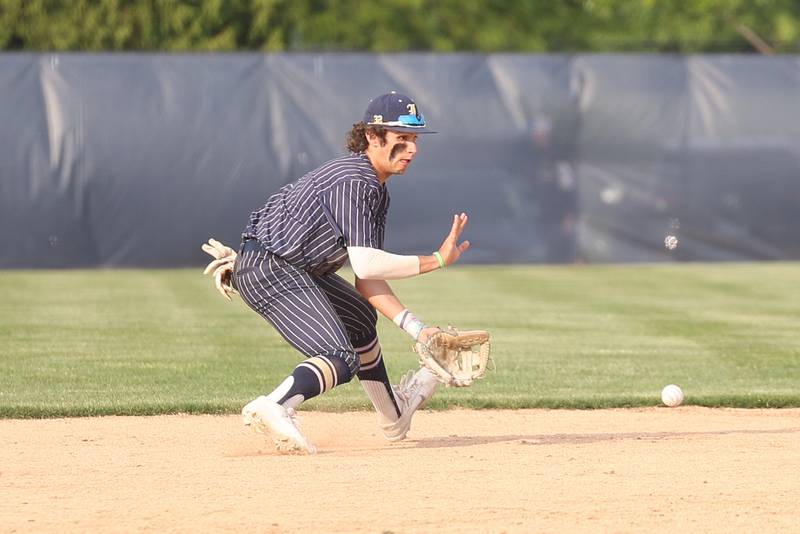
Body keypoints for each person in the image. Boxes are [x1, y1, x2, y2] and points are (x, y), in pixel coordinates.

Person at [205, 91, 471, 453]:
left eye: (414, 139)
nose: (412, 148)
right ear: (372, 137)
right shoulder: (355, 180)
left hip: (290, 268)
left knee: (361, 320)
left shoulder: (375, 188)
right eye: (402, 138)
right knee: (340, 357)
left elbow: (366, 280)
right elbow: (366, 263)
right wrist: (436, 260)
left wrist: (419, 331)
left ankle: (393, 417)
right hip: (274, 268)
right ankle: (276, 404)